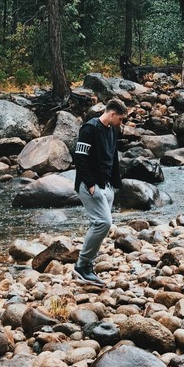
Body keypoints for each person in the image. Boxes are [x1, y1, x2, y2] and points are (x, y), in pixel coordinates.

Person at [72, 97, 126, 286]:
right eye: (120, 119)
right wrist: (90, 183)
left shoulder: (111, 130)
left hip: (106, 186)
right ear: (112, 114)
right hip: (90, 186)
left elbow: (113, 158)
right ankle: (82, 266)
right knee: (103, 223)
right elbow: (79, 158)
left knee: (99, 225)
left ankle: (88, 267)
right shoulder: (89, 129)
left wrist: (114, 184)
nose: (121, 123)